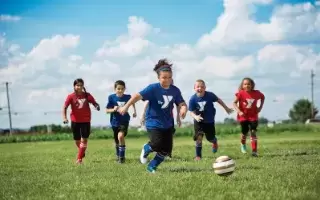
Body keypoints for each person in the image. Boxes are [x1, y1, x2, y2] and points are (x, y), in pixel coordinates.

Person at [118, 59, 188, 173]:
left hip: (168, 123)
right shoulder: (153, 88)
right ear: (159, 78)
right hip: (153, 121)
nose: (167, 80)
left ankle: (152, 166)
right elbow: (137, 96)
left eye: (169, 77)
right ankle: (147, 148)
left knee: (166, 150)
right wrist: (126, 107)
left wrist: (184, 109)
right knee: (156, 144)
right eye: (164, 77)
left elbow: (181, 103)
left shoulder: (175, 90)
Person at [189, 79, 233, 161]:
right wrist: (196, 117)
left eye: (202, 87)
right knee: (199, 137)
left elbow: (218, 100)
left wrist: (226, 108)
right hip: (198, 121)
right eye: (198, 87)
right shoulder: (192, 99)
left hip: (209, 121)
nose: (200, 88)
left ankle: (214, 142)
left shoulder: (210, 95)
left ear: (205, 88)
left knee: (210, 138)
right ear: (194, 88)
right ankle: (198, 156)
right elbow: (191, 112)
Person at [140, 79, 181, 159]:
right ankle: (149, 148)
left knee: (169, 137)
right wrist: (143, 115)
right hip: (156, 119)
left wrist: (178, 117)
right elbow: (147, 103)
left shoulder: (174, 92)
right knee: (158, 141)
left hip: (169, 119)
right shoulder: (156, 91)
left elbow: (178, 104)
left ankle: (167, 154)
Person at [62, 78, 100, 164]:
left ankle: (79, 159)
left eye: (81, 85)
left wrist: (97, 106)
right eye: (77, 85)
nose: (79, 87)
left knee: (84, 140)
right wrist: (64, 117)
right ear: (74, 86)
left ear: (83, 86)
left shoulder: (87, 95)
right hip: (75, 121)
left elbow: (94, 102)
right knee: (77, 140)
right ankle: (81, 151)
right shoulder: (70, 96)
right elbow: (65, 107)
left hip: (86, 120)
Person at [106, 80, 137, 163]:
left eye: (122, 89)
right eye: (118, 89)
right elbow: (107, 110)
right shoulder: (111, 97)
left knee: (120, 136)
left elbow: (132, 102)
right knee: (117, 140)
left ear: (124, 89)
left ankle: (122, 158)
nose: (120, 90)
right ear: (115, 89)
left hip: (124, 120)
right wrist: (113, 109)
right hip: (114, 122)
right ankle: (118, 155)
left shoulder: (128, 97)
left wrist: (134, 111)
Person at [233, 77, 265, 157]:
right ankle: (243, 145)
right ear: (242, 85)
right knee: (244, 133)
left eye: (248, 84)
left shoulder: (257, 93)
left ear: (252, 85)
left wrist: (260, 107)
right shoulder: (240, 93)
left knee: (253, 132)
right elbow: (234, 103)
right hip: (243, 116)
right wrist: (239, 111)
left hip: (253, 116)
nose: (247, 86)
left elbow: (263, 98)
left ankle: (254, 151)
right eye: (245, 84)